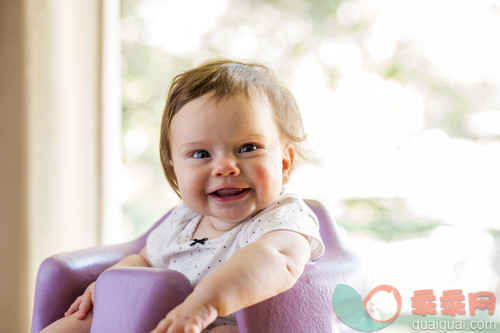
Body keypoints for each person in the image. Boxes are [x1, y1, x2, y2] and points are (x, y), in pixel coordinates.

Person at [41, 59, 325, 333]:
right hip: (164, 319)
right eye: (201, 154)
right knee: (79, 322)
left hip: (229, 322)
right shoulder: (185, 219)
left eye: (248, 148)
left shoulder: (284, 217)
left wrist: (203, 306)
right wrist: (106, 286)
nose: (225, 167)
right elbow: (144, 260)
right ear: (174, 170)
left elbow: (276, 259)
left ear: (284, 163)